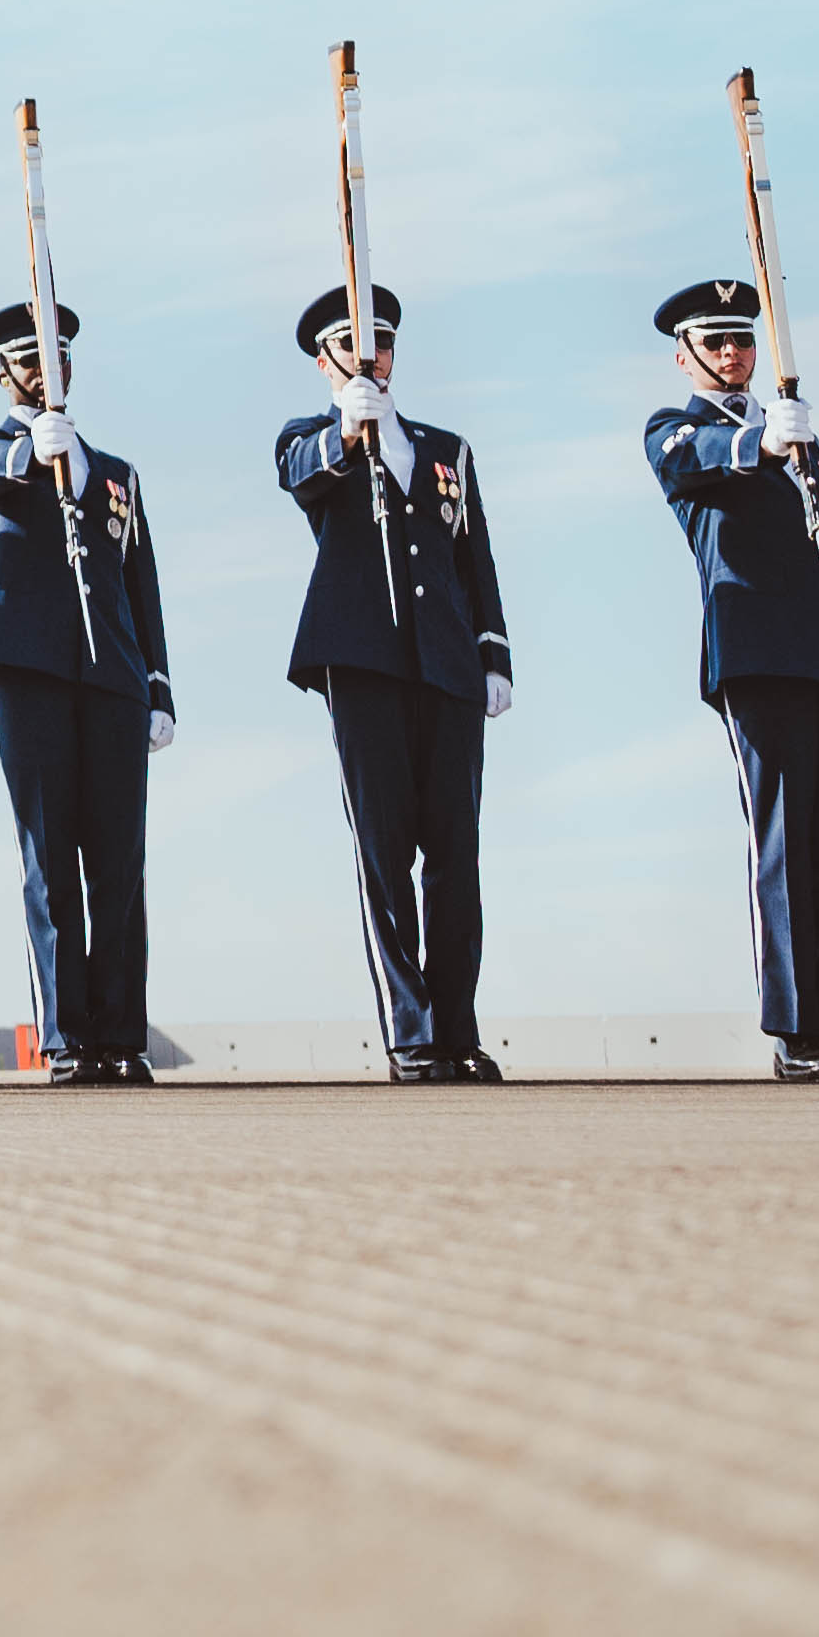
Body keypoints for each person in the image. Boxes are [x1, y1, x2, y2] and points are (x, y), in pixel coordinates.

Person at [638, 279, 819, 1081]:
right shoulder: (681, 429)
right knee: (784, 840)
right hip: (760, 653)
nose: (733, 354)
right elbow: (688, 465)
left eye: (743, 340)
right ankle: (797, 1029)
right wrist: (761, 446)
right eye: (715, 342)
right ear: (685, 355)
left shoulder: (799, 435)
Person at [276, 285, 514, 1083]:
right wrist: (349, 427)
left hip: (446, 666)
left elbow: (473, 559)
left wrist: (494, 655)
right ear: (326, 359)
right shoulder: (315, 438)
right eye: (353, 343)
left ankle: (457, 1029)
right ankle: (411, 1032)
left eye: (381, 340)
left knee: (456, 854)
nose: (371, 354)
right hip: (364, 664)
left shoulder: (447, 449)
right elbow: (301, 475)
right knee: (385, 853)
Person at [0, 306, 171, 1086]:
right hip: (30, 670)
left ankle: (121, 1030)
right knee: (50, 855)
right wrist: (24, 453)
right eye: (31, 359)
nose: (48, 371)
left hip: (113, 674)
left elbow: (138, 581)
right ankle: (67, 1033)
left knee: (118, 861)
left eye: (57, 358)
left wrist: (159, 684)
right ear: (6, 372)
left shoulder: (115, 474)